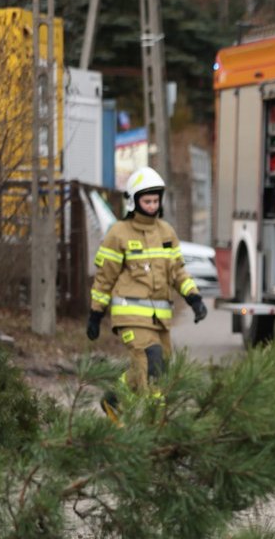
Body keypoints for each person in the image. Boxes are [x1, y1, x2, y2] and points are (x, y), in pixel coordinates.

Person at [87, 167, 207, 410]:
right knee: (150, 361)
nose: (152, 205)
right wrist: (95, 314)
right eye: (147, 200)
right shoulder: (118, 234)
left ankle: (113, 400)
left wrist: (194, 298)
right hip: (129, 316)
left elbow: (177, 271)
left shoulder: (166, 232)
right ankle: (153, 424)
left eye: (155, 200)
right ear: (133, 201)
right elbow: (104, 278)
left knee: (160, 367)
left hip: (159, 320)